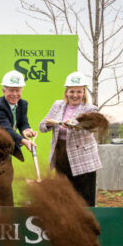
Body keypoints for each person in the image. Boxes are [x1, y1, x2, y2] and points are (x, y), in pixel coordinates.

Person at [39, 71, 102, 207]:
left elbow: (93, 126)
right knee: (63, 196)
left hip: (83, 159)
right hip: (62, 158)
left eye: (79, 92)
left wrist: (74, 123)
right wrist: (48, 123)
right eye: (72, 91)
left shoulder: (90, 109)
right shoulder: (57, 105)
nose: (75, 95)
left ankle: (86, 225)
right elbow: (42, 127)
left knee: (84, 198)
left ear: (84, 92)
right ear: (66, 92)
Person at [0, 70, 37, 206]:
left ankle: (8, 221)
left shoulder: (23, 104)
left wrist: (27, 130)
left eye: (17, 90)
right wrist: (23, 140)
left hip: (5, 154)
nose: (14, 94)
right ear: (4, 91)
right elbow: (6, 129)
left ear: (22, 90)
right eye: (11, 90)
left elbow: (23, 122)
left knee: (6, 188)